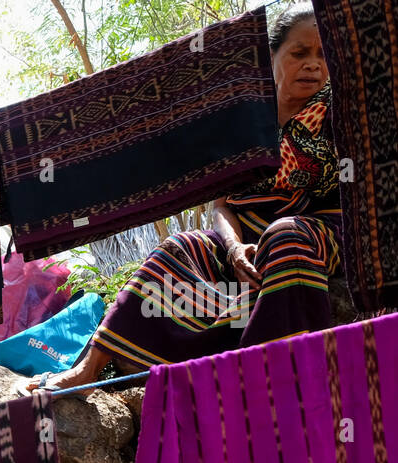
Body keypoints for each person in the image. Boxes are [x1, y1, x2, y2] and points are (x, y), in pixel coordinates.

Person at [28, 5, 341, 392]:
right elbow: (222, 204)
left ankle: (260, 379)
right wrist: (233, 248)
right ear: (271, 55)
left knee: (285, 236)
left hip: (319, 230)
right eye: (300, 53)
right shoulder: (243, 123)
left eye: (323, 55)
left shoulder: (340, 114)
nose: (313, 65)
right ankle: (88, 370)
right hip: (246, 238)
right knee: (179, 245)